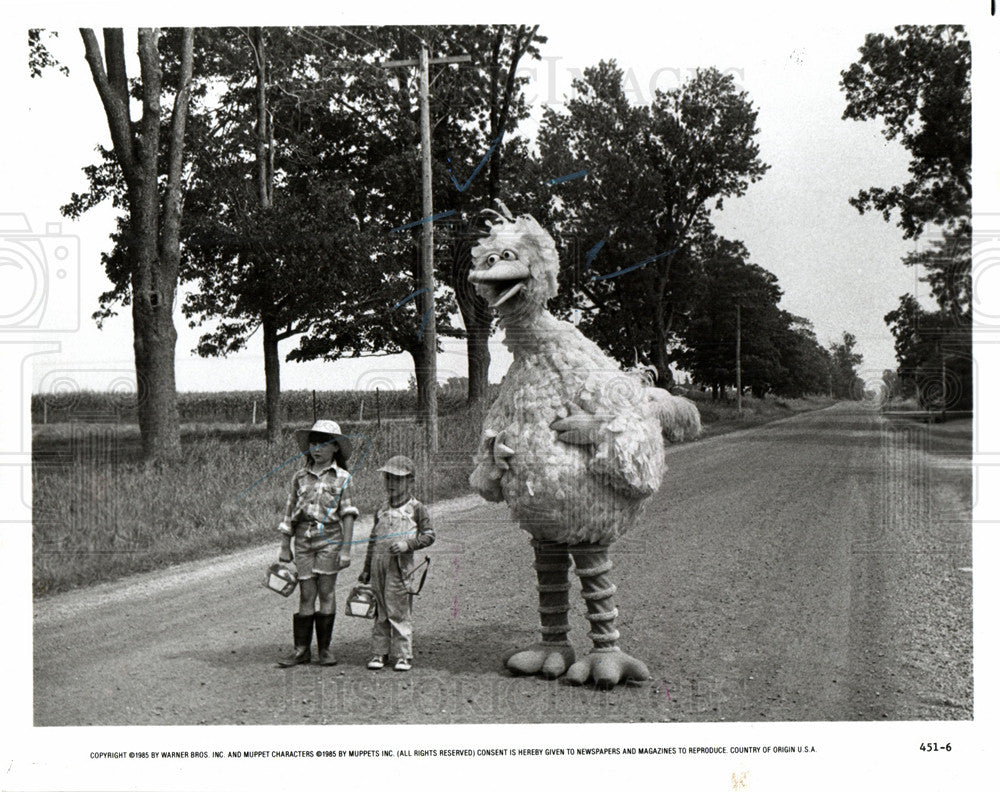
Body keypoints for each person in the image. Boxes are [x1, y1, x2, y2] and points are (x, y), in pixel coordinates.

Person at [276, 419, 358, 667]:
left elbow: (348, 515)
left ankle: (324, 649)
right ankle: (301, 649)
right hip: (303, 540)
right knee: (305, 593)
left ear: (335, 448)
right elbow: (290, 512)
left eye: (323, 443)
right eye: (313, 443)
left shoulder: (343, 477)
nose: (317, 449)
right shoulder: (300, 477)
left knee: (326, 591)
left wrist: (345, 550)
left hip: (330, 540)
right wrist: (284, 545)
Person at [358, 455, 434, 672]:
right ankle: (379, 652)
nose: (391, 484)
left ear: (410, 482)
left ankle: (402, 655)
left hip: (400, 568)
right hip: (378, 566)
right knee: (380, 609)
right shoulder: (381, 509)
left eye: (398, 479)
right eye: (388, 479)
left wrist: (407, 545)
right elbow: (373, 542)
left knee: (398, 610)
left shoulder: (417, 509)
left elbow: (429, 535)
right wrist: (366, 570)